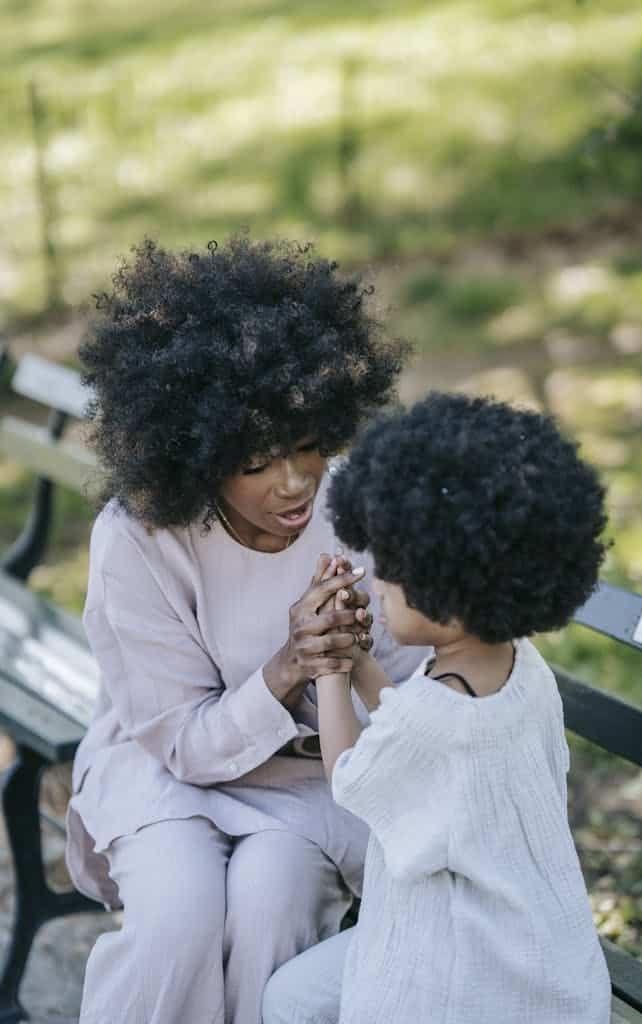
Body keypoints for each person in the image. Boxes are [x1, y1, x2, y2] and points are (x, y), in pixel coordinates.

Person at [65, 236, 428, 1024]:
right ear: (198, 455)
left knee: (271, 911)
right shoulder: (138, 536)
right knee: (176, 928)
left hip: (306, 784)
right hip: (165, 773)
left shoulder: (355, 509)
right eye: (258, 461)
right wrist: (288, 665)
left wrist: (353, 660)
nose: (295, 483)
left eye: (307, 447)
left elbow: (414, 710)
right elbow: (181, 741)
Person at [262, 392, 613, 1024]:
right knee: (292, 997)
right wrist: (368, 662)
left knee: (286, 1004)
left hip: (462, 981)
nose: (379, 582)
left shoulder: (434, 716)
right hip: (545, 957)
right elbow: (425, 732)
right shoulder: (518, 667)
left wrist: (333, 671)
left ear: (447, 593)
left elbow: (351, 777)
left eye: (392, 572)